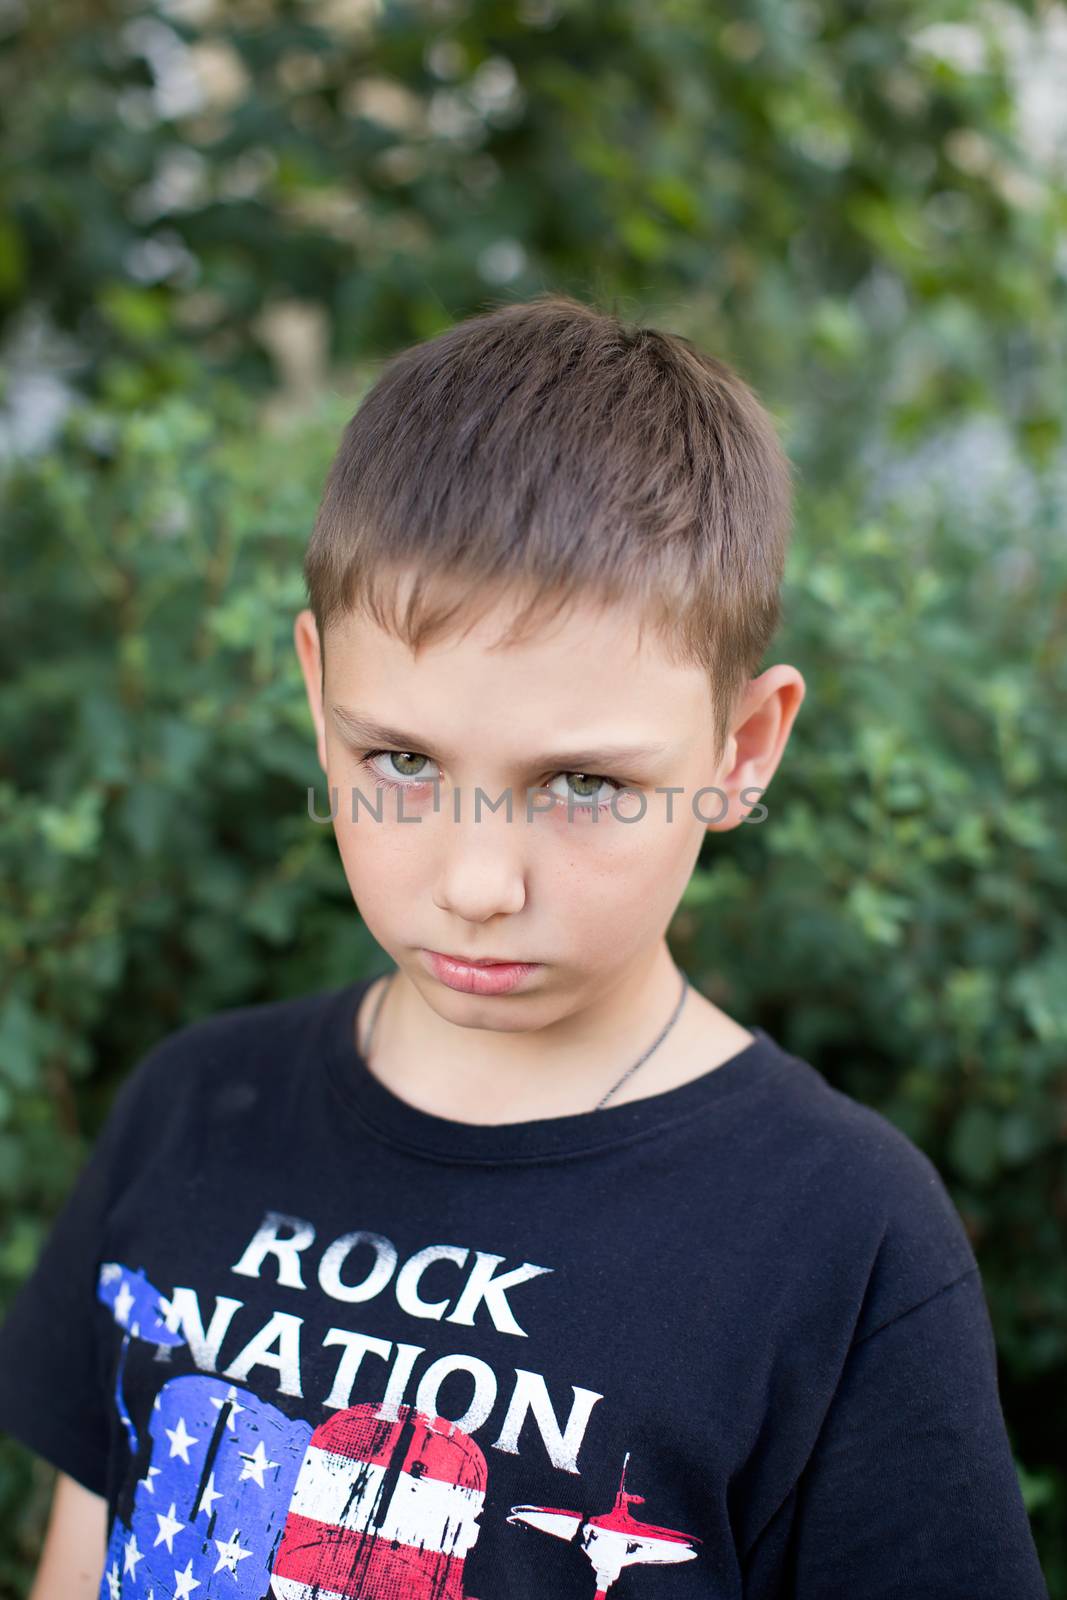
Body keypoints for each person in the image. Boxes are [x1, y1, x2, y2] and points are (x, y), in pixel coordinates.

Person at [0, 293, 1048, 1600]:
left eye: (586, 785)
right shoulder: (194, 1110)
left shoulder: (842, 1240)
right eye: (401, 762)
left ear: (742, 749)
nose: (481, 882)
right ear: (317, 694)